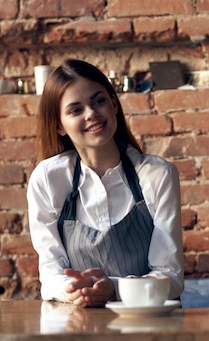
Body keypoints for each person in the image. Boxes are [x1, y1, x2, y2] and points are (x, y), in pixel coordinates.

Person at [27, 59, 184, 307]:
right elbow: (50, 273)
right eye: (75, 110)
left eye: (99, 101)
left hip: (146, 324)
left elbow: (171, 277)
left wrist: (114, 288)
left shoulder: (156, 175)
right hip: (77, 322)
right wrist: (73, 289)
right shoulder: (48, 178)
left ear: (114, 104)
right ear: (58, 125)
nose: (91, 113)